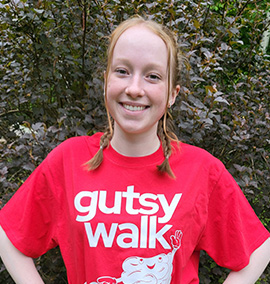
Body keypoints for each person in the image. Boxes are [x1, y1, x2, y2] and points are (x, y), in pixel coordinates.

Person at [0, 15, 269, 284]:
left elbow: (259, 247)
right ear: (106, 80)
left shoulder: (202, 170)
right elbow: (8, 234)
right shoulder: (68, 161)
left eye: (152, 76)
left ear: (172, 94)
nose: (134, 88)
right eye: (122, 71)